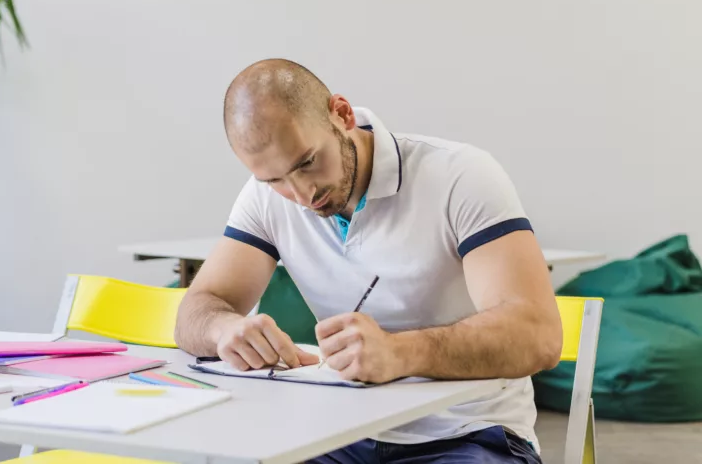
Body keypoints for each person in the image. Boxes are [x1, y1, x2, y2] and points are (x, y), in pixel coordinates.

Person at [174, 59, 562, 464]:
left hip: (466, 433)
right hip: (336, 431)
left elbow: (538, 335)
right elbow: (196, 311)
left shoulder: (461, 176)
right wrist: (226, 330)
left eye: (307, 162)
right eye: (274, 180)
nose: (302, 193)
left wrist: (401, 352)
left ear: (341, 115)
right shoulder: (264, 197)